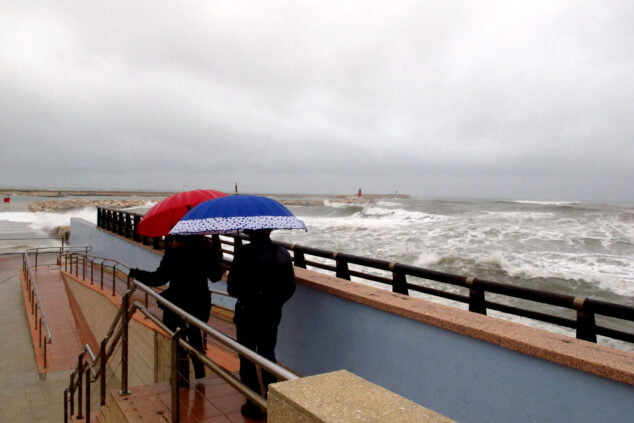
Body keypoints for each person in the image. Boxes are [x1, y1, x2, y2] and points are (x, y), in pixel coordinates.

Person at [128, 234, 223, 386]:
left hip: (177, 305)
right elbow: (216, 276)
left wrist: (136, 273)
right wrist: (216, 251)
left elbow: (159, 278)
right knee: (196, 339)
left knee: (179, 343)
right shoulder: (205, 250)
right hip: (198, 305)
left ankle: (182, 380)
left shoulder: (174, 254)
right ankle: (200, 378)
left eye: (172, 240)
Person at [227, 229, 296, 421]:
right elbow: (290, 287)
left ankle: (253, 404)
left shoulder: (243, 252)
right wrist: (274, 303)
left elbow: (232, 288)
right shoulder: (282, 253)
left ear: (250, 233)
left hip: (247, 313)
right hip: (271, 313)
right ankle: (271, 397)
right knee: (267, 354)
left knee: (247, 357)